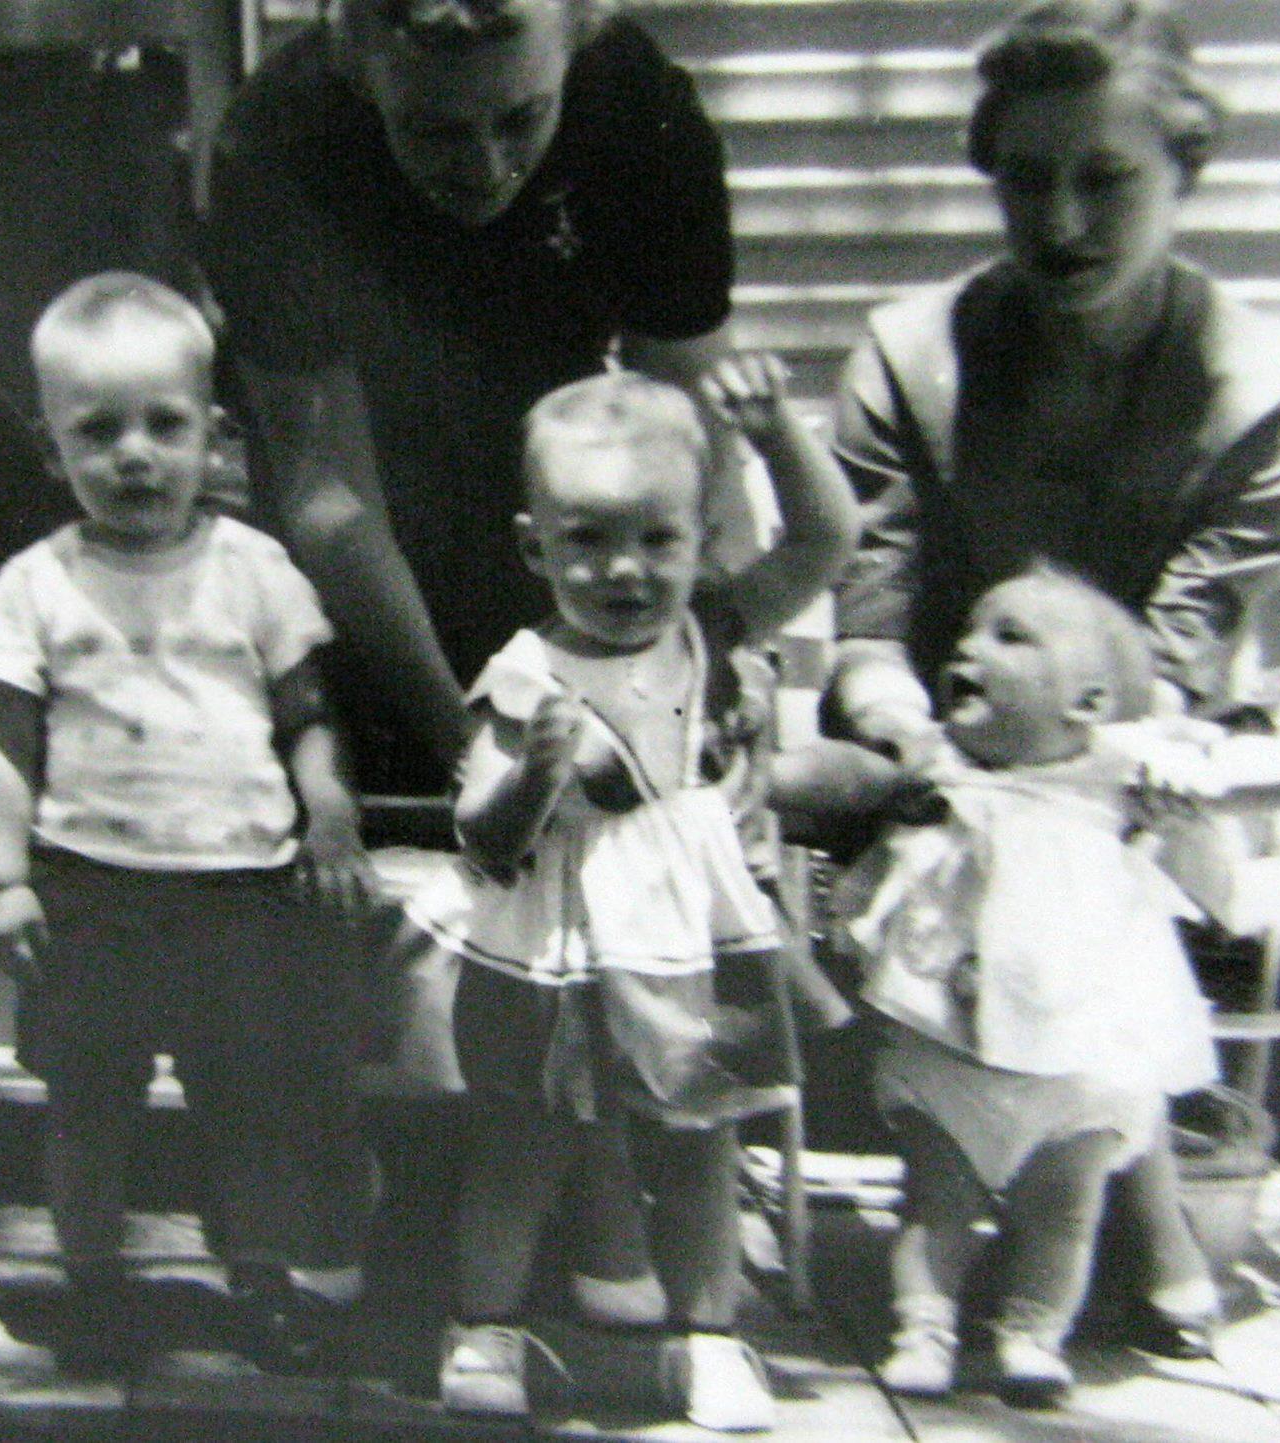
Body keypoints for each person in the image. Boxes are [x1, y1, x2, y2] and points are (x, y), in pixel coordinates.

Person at [200, 0, 740, 1325]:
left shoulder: (641, 110)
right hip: (372, 519)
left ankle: (591, 1193)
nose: (486, 165)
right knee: (392, 900)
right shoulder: (276, 142)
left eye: (520, 119)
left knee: (595, 874)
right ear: (361, 55)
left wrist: (692, 657)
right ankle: (374, 1196)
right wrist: (467, 733)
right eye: (436, 127)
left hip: (568, 496)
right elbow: (327, 486)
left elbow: (680, 431)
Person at [823, 0, 1280, 1362]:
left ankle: (1121, 1206)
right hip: (938, 735)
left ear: (1185, 174)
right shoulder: (908, 357)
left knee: (1099, 887)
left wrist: (1055, 774)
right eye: (1024, 177)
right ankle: (1102, 1222)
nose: (1059, 222)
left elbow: (1175, 662)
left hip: (1131, 760)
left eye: (1106, 179)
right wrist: (908, 730)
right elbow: (870, 619)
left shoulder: (1263, 396)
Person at [822, 566, 1280, 1408]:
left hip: (1078, 1060)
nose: (968, 649)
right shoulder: (934, 762)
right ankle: (924, 1329)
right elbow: (831, 776)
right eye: (969, 632)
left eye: (1009, 637)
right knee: (932, 1203)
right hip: (950, 1047)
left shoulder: (1119, 771)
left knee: (1064, 1214)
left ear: (1085, 703)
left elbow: (1230, 776)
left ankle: (1032, 1334)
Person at [407, 363, 855, 1431]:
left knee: (702, 1145)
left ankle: (708, 1343)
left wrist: (778, 435)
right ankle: (483, 1327)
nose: (625, 569)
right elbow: (478, 834)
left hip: (679, 934)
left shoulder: (704, 630)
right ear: (535, 548)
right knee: (521, 1150)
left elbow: (823, 544)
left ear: (701, 538)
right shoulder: (522, 675)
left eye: (658, 539)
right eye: (588, 539)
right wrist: (533, 776)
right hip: (554, 934)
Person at [0, 273, 377, 1375]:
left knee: (252, 1103)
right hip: (91, 887)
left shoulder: (255, 571)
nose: (132, 454)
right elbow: (0, 742)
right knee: (86, 1104)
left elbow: (305, 714)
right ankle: (91, 1283)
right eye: (96, 432)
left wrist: (328, 808)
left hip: (239, 887)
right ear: (52, 452)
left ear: (214, 436)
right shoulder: (34, 585)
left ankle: (265, 1282)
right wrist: (5, 877)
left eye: (162, 425)